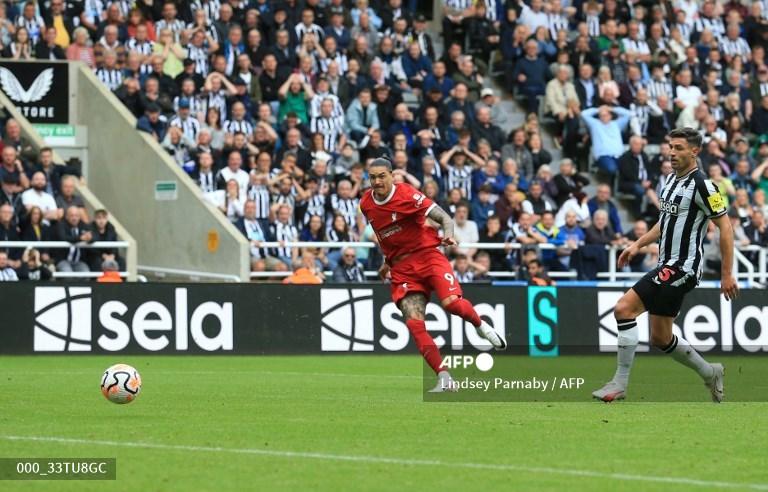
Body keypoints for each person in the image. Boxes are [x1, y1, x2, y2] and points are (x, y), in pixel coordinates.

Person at [592, 128, 738, 403]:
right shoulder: (670, 181)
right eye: (671, 146)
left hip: (683, 267)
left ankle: (619, 383)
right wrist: (638, 244)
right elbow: (665, 223)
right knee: (660, 337)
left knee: (624, 308)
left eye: (679, 147)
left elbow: (725, 228)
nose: (672, 152)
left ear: (694, 151)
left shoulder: (705, 186)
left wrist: (727, 274)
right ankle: (711, 372)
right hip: (666, 264)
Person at [359, 158, 506, 393]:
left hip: (428, 256)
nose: (377, 182)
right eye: (372, 177)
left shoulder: (407, 194)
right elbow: (385, 236)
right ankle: (445, 377)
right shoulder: (366, 203)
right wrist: (387, 263)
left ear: (391, 175)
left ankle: (480, 325)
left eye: (381, 176)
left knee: (452, 304)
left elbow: (445, 217)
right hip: (403, 268)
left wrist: (448, 235)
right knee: (414, 323)